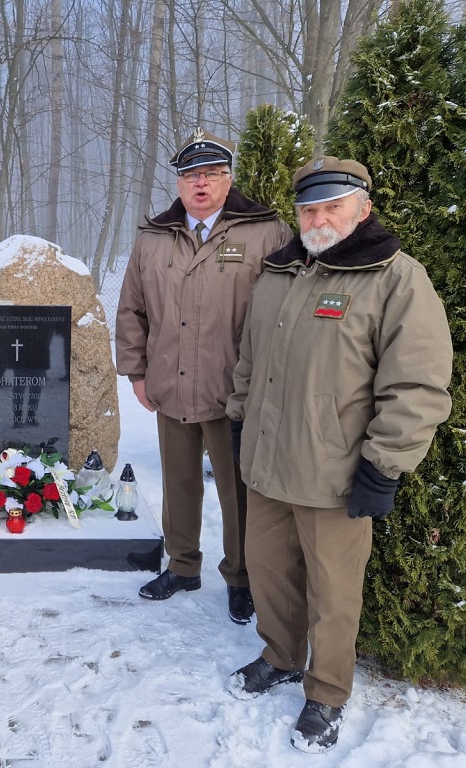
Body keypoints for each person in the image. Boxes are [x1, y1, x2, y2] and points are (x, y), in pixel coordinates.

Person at [224, 156, 453, 752]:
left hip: (336, 473)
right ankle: (279, 655)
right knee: (270, 571)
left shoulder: (396, 279)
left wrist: (385, 464)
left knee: (333, 590)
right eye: (309, 207)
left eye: (332, 206)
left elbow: (417, 384)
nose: (319, 218)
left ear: (362, 208)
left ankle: (326, 692)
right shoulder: (279, 273)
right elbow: (250, 361)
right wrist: (238, 421)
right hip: (268, 464)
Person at [115, 128, 292, 623]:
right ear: (178, 184)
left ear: (229, 179)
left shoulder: (264, 232)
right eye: (192, 174)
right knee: (179, 482)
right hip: (169, 382)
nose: (201, 183)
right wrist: (136, 371)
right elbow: (131, 308)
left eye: (212, 173)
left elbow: (282, 309)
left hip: (234, 389)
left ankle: (241, 577)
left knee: (238, 491)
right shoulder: (153, 238)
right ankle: (183, 564)